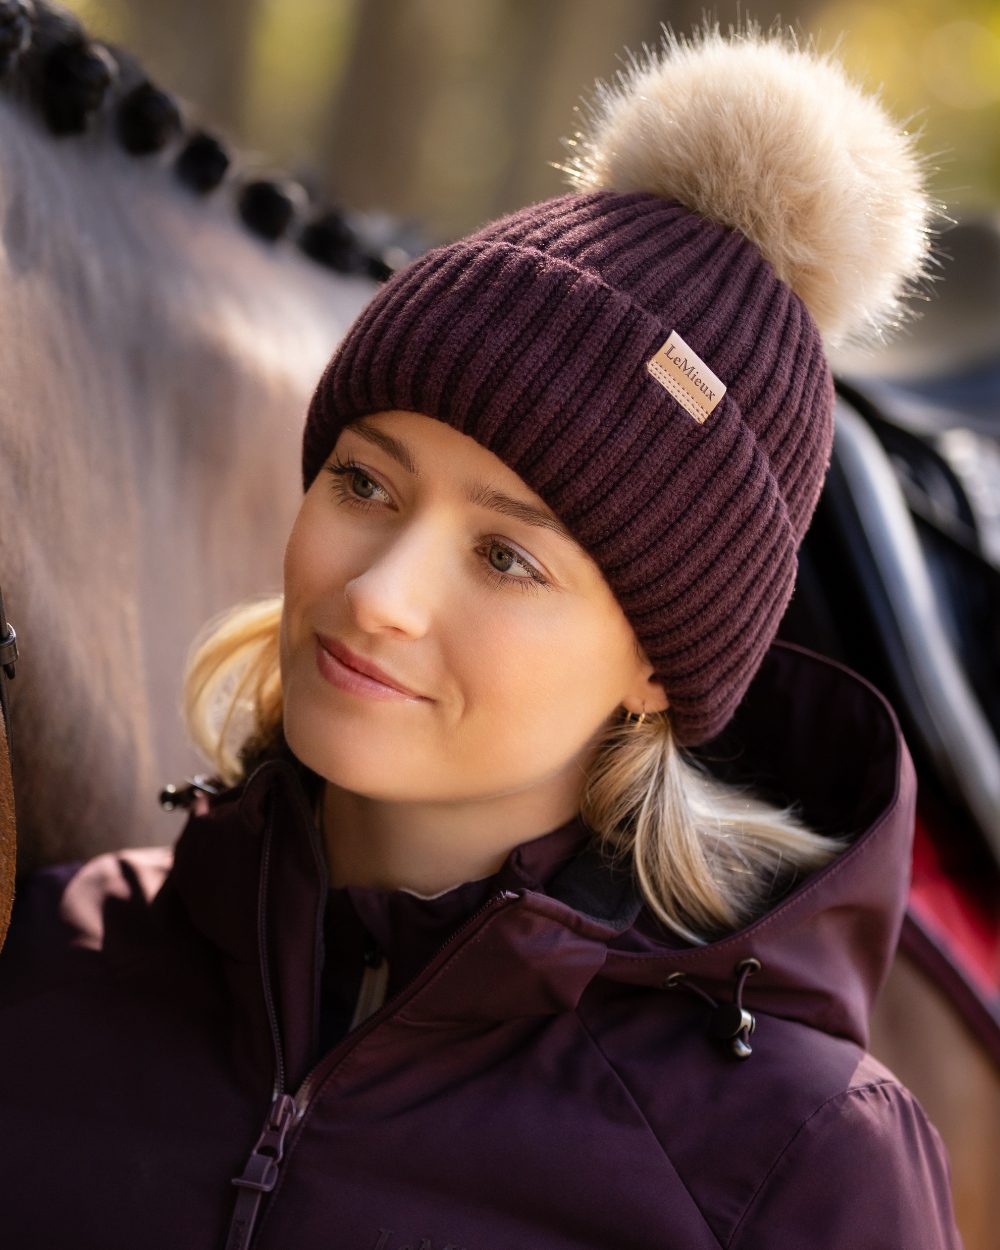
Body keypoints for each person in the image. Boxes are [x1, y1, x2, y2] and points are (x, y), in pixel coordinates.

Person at [0, 25, 962, 1250]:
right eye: (364, 484)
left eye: (507, 555)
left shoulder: (796, 1163)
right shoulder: (47, 961)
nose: (383, 593)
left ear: (660, 665)